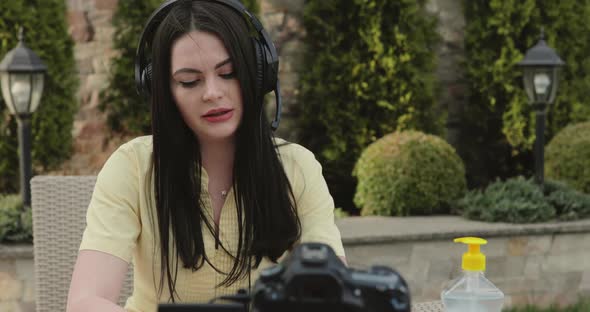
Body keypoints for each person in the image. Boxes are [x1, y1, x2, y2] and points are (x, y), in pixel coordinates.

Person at [66, 1, 345, 311]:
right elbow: (86, 301)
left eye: (229, 73)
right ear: (163, 91)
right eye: (190, 81)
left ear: (258, 73)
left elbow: (333, 295)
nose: (212, 92)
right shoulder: (132, 166)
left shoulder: (298, 168)